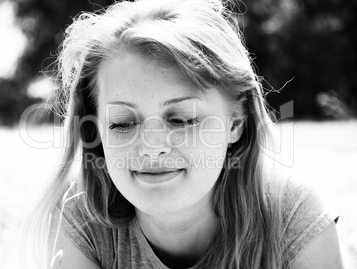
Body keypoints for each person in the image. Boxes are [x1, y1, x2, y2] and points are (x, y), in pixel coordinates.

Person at [22, 0, 344, 268]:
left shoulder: (293, 217)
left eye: (182, 119)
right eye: (122, 123)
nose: (152, 148)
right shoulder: (81, 219)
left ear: (236, 122)